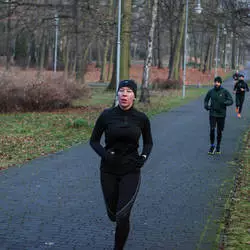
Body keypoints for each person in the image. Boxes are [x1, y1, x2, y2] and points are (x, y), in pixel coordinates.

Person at [89, 79, 153, 250]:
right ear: (117, 94)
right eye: (122, 91)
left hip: (131, 169)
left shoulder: (141, 118)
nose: (124, 94)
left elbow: (148, 143)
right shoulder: (106, 115)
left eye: (129, 91)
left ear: (134, 96)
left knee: (122, 214)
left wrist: (144, 156)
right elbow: (94, 141)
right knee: (113, 215)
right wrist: (105, 155)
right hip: (108, 170)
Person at [204, 76, 233, 155]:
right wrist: (206, 106)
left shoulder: (225, 91)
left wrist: (225, 103)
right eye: (215, 82)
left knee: (219, 131)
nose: (216, 83)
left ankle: (218, 146)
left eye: (218, 82)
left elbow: (231, 100)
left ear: (220, 83)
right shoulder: (211, 91)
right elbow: (206, 99)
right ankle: (212, 146)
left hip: (221, 114)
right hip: (213, 113)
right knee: (212, 129)